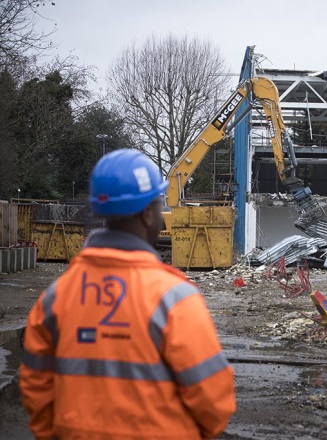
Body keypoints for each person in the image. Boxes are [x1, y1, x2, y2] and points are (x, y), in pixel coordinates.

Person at [19, 149, 236, 439]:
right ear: (148, 213)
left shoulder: (56, 297)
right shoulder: (174, 297)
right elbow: (213, 399)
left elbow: (35, 387)